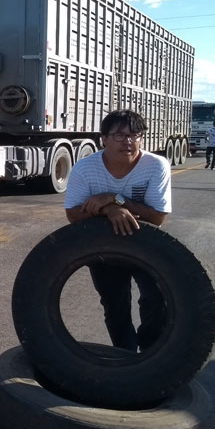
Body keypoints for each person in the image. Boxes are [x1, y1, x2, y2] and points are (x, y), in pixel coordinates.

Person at [64, 109, 171, 352]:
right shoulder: (85, 169)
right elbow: (73, 215)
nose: (129, 141)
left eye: (135, 135)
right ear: (104, 138)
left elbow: (158, 218)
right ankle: (126, 357)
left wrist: (115, 199)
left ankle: (151, 354)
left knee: (157, 298)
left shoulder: (156, 166)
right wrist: (109, 210)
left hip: (146, 243)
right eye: (120, 135)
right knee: (115, 305)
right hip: (103, 246)